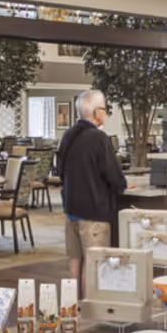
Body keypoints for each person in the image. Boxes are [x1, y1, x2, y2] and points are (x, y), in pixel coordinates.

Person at [56, 90, 128, 296]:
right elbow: (113, 175)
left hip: (71, 210)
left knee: (75, 260)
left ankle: (72, 304)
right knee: (93, 263)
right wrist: (122, 186)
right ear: (96, 112)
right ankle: (90, 308)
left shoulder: (68, 135)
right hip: (94, 212)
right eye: (104, 109)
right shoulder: (99, 138)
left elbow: (59, 170)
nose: (105, 113)